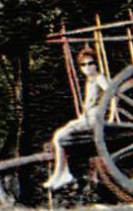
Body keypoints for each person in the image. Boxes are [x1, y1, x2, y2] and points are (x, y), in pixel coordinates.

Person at [44, 48, 111, 191]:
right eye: (83, 65)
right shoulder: (89, 81)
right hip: (86, 118)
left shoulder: (99, 78)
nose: (87, 67)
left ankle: (62, 174)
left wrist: (110, 116)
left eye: (90, 63)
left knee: (60, 136)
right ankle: (61, 173)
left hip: (94, 120)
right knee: (59, 136)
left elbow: (112, 94)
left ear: (96, 64)